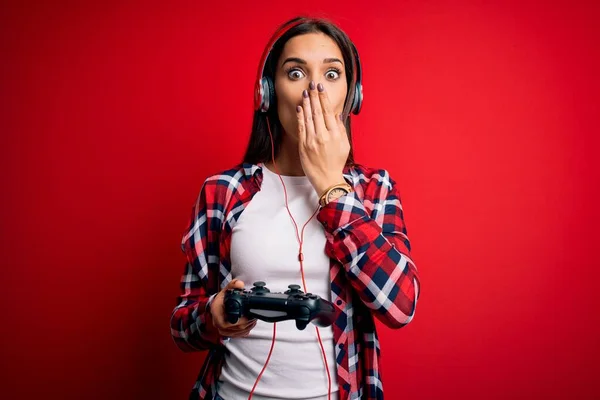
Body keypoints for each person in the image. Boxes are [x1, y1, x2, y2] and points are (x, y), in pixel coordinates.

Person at [170, 15, 421, 400]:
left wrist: (331, 186)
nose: (314, 90)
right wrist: (213, 315)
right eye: (296, 73)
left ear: (351, 97)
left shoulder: (374, 190)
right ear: (267, 94)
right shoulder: (222, 192)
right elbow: (182, 326)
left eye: (332, 75)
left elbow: (400, 305)